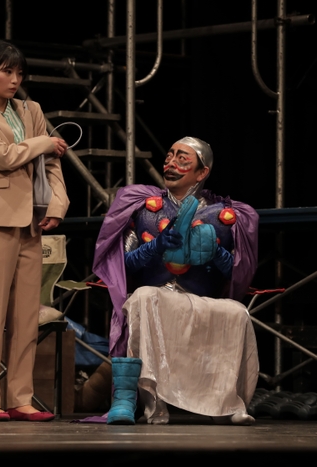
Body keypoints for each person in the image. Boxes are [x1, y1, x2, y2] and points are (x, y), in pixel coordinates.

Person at [93, 136, 259, 425]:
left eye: (182, 159)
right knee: (144, 297)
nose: (170, 164)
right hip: (156, 295)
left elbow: (237, 273)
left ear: (202, 172)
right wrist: (154, 247)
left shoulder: (225, 215)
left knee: (237, 312)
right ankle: (140, 400)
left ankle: (227, 404)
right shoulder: (143, 209)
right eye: (169, 156)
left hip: (201, 298)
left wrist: (216, 254)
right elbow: (124, 264)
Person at [0, 38, 69, 422]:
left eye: (19, 72)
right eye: (6, 72)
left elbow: (51, 163)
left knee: (26, 317)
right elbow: (5, 157)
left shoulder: (30, 109)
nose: (14, 80)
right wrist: (43, 142)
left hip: (31, 222)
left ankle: (21, 397)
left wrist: (57, 205)